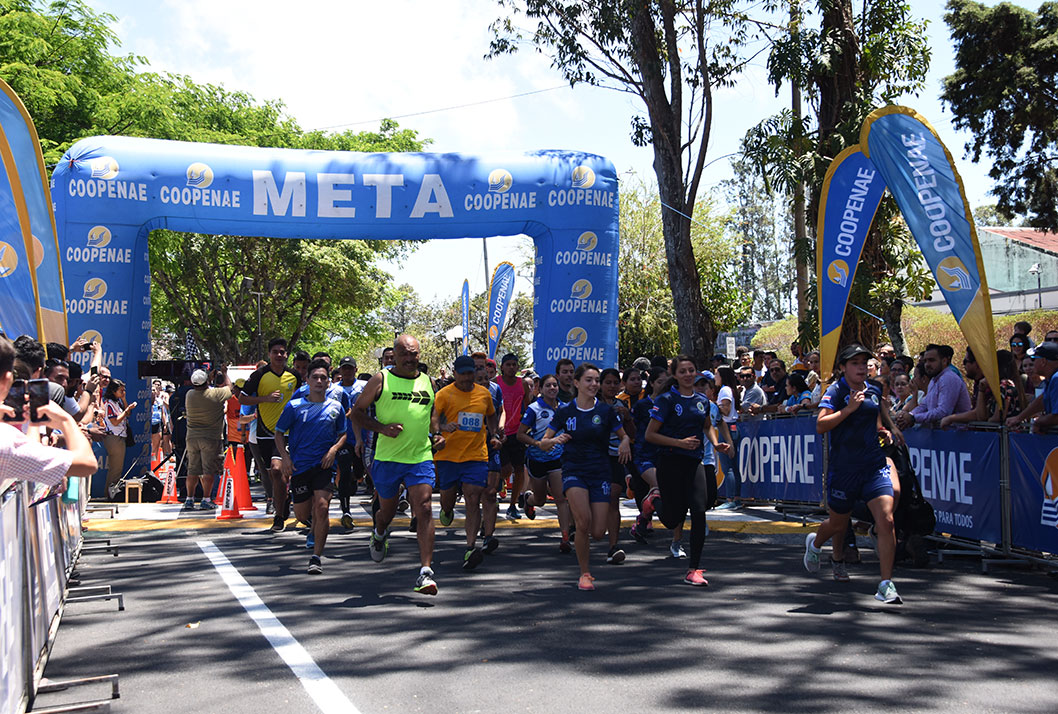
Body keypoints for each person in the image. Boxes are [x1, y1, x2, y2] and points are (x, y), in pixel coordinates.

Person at [804, 344, 902, 604]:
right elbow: (820, 425)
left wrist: (885, 430)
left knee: (886, 520)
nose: (861, 367)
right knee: (837, 524)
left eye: (864, 362)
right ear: (843, 368)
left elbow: (876, 417)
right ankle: (815, 544)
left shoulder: (874, 389)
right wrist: (847, 409)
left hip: (873, 466)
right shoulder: (835, 391)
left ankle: (885, 584)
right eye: (855, 363)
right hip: (844, 470)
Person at [352, 335, 441, 595]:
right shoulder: (381, 379)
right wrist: (381, 428)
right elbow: (356, 412)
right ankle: (380, 531)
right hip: (388, 458)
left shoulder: (428, 381)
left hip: (420, 456)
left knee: (423, 508)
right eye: (405, 354)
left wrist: (436, 433)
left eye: (415, 354)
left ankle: (425, 572)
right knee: (387, 513)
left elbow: (432, 411)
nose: (411, 359)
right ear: (396, 354)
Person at [538, 364, 631, 591]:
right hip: (574, 471)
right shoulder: (565, 412)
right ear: (577, 383)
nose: (594, 385)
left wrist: (625, 444)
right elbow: (543, 442)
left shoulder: (606, 412)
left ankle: (586, 548)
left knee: (598, 532)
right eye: (589, 380)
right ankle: (585, 573)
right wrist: (553, 441)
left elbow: (623, 435)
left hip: (600, 472)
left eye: (596, 380)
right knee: (583, 522)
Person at [645, 356, 730, 587]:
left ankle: (694, 569)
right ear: (675, 374)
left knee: (700, 510)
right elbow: (650, 435)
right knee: (673, 518)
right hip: (670, 463)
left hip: (694, 463)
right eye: (683, 371)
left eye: (692, 370)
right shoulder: (666, 400)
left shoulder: (702, 400)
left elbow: (707, 426)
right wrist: (679, 442)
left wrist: (715, 443)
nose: (688, 374)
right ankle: (655, 500)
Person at [274, 359, 347, 574]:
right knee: (302, 515)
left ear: (328, 382)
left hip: (323, 466)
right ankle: (309, 523)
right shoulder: (294, 406)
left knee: (322, 506)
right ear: (307, 380)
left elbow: (343, 434)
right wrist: (285, 458)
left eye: (323, 378)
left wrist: (333, 451)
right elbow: (279, 433)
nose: (319, 381)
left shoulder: (336, 407)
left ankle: (316, 557)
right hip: (300, 467)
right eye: (314, 377)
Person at [0, 336, 98, 493]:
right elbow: (86, 463)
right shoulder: (5, 439)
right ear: (7, 379)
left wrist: (33, 423)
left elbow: (30, 451)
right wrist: (65, 420)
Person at [433, 355, 499, 570]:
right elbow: (434, 418)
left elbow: (491, 415)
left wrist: (494, 433)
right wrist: (441, 430)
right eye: (462, 373)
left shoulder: (484, 394)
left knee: (473, 498)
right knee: (447, 500)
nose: (466, 377)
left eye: (469, 372)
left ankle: (471, 547)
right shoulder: (444, 394)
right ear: (455, 373)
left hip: (475, 455)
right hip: (448, 456)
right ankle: (447, 509)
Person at [240, 339, 302, 531]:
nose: (279, 355)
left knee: (277, 469)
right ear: (269, 354)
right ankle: (283, 503)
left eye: (283, 352)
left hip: (288, 432)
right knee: (273, 473)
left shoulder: (294, 376)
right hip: (265, 431)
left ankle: (279, 515)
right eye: (275, 352)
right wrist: (264, 399)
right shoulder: (259, 375)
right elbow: (242, 397)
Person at [518, 373, 571, 552]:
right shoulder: (534, 409)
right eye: (548, 385)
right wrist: (537, 443)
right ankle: (529, 500)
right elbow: (520, 434)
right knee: (540, 500)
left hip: (557, 460)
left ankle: (565, 537)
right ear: (540, 389)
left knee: (561, 498)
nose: (552, 388)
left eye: (555, 385)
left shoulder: (565, 408)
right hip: (537, 459)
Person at [629, 368, 670, 545]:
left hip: (664, 454)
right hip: (644, 454)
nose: (663, 385)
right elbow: (633, 429)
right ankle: (645, 519)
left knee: (660, 491)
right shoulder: (641, 405)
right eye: (660, 381)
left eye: (666, 382)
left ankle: (643, 519)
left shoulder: (670, 403)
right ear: (652, 383)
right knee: (658, 485)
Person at [183, 368, 232, 510]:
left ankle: (189, 499)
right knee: (208, 470)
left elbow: (204, 388)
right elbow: (229, 388)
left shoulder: (190, 394)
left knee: (192, 469)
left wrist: (209, 379)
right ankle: (206, 499)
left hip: (192, 437)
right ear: (206, 381)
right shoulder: (215, 394)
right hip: (211, 438)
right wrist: (225, 373)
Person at [599, 367, 634, 565]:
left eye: (615, 383)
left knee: (613, 498)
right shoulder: (593, 405)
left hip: (615, 457)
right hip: (594, 457)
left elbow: (632, 433)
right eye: (608, 383)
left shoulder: (622, 405)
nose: (612, 386)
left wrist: (627, 418)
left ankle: (613, 546)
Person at [472, 352, 505, 552]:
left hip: (491, 445)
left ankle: (489, 535)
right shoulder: (463, 393)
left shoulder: (496, 389)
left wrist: (499, 431)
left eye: (485, 374)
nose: (483, 380)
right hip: (470, 449)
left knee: (491, 493)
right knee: (475, 495)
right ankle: (474, 528)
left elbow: (501, 410)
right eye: (478, 374)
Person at [895, 344, 971, 429]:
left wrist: (914, 418)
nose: (927, 364)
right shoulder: (934, 380)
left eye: (931, 360)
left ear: (944, 361)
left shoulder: (949, 378)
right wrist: (908, 415)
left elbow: (943, 412)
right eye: (925, 361)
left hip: (956, 435)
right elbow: (924, 406)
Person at [495, 353, 532, 520]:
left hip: (516, 433)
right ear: (502, 367)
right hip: (499, 432)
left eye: (514, 364)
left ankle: (513, 504)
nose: (511, 367)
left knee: (519, 469)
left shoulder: (522, 383)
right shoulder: (496, 383)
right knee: (505, 468)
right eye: (508, 364)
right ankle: (497, 486)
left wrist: (526, 426)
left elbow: (527, 407)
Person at [335, 356, 368, 529]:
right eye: (344, 368)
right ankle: (346, 510)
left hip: (364, 437)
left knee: (362, 473)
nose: (347, 371)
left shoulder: (364, 387)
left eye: (350, 368)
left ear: (356, 370)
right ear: (340, 370)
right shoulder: (333, 389)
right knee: (345, 471)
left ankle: (358, 479)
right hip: (344, 438)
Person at [1006, 341, 1058, 434]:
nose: (1031, 362)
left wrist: (1038, 422)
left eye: (1033, 359)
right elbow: (1042, 400)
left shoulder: (1056, 379)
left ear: (1043, 361)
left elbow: (1056, 416)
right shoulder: (1051, 379)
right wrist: (1019, 418)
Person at [101, 378, 137, 498]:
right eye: (121, 391)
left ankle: (112, 493)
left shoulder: (118, 403)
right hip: (114, 437)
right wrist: (127, 410)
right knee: (115, 469)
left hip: (120, 437)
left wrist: (124, 400)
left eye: (124, 390)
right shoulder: (109, 404)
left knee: (118, 468)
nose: (123, 392)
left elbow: (128, 414)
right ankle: (109, 495)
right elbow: (115, 421)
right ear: (113, 391)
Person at [714, 366, 742, 510]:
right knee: (734, 466)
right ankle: (736, 498)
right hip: (733, 428)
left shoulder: (725, 390)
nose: (715, 377)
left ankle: (730, 498)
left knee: (728, 467)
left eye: (716, 374)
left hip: (727, 429)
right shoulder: (729, 390)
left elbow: (725, 410)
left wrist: (712, 406)